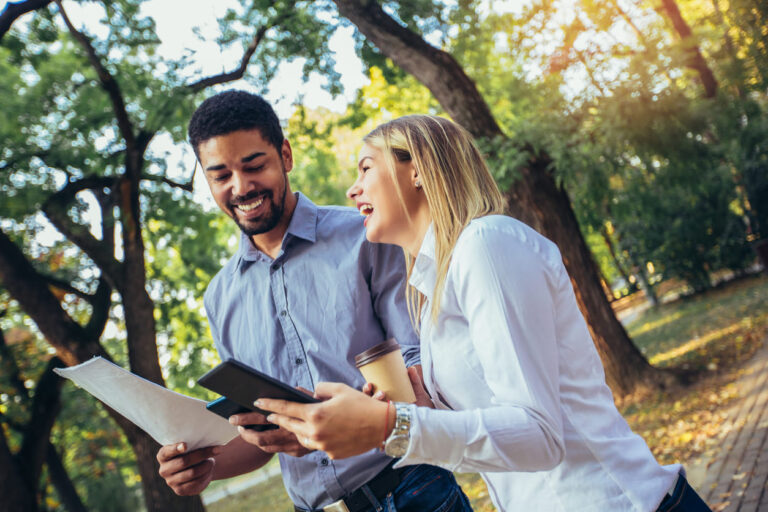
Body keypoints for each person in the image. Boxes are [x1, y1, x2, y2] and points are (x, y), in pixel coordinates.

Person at [258, 115, 713, 511]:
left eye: (365, 167)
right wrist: (424, 405)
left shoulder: (486, 244)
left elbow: (539, 435)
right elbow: (492, 427)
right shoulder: (434, 285)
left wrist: (389, 427)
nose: (352, 188)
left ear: (415, 168)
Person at [155, 93, 472, 512]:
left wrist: (325, 425)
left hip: (411, 491)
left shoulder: (366, 236)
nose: (241, 187)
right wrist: (206, 465)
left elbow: (422, 372)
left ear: (284, 155)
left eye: (254, 166)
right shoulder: (220, 297)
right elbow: (259, 437)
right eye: (220, 176)